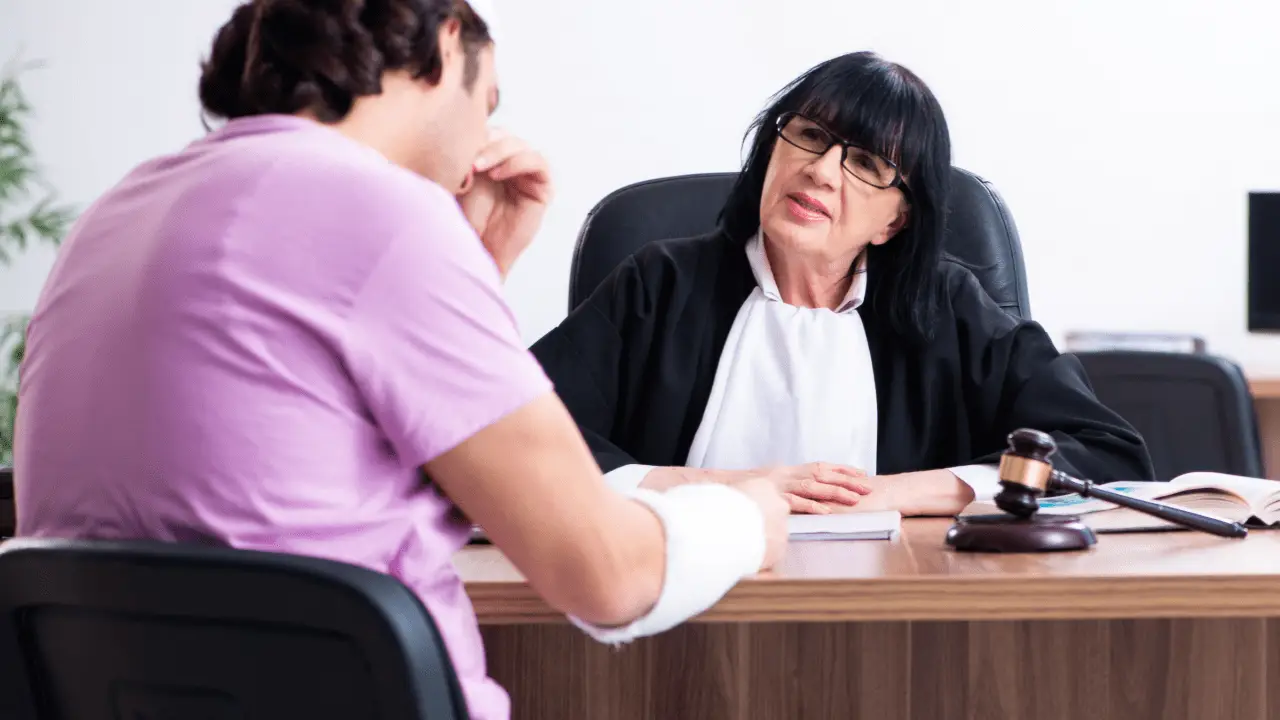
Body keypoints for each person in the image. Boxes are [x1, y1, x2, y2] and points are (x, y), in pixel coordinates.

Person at [11, 2, 790, 718]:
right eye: (489, 103)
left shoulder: (118, 213)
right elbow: (609, 576)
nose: (483, 139)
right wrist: (748, 514)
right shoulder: (383, 213)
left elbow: (299, 454)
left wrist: (473, 270)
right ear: (448, 40)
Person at [530, 51, 1155, 517]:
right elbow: (514, 436)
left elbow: (1107, 455)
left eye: (866, 164)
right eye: (810, 136)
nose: (822, 171)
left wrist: (895, 494)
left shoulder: (948, 308)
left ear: (894, 221)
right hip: (671, 601)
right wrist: (725, 489)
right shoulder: (658, 286)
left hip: (895, 617)